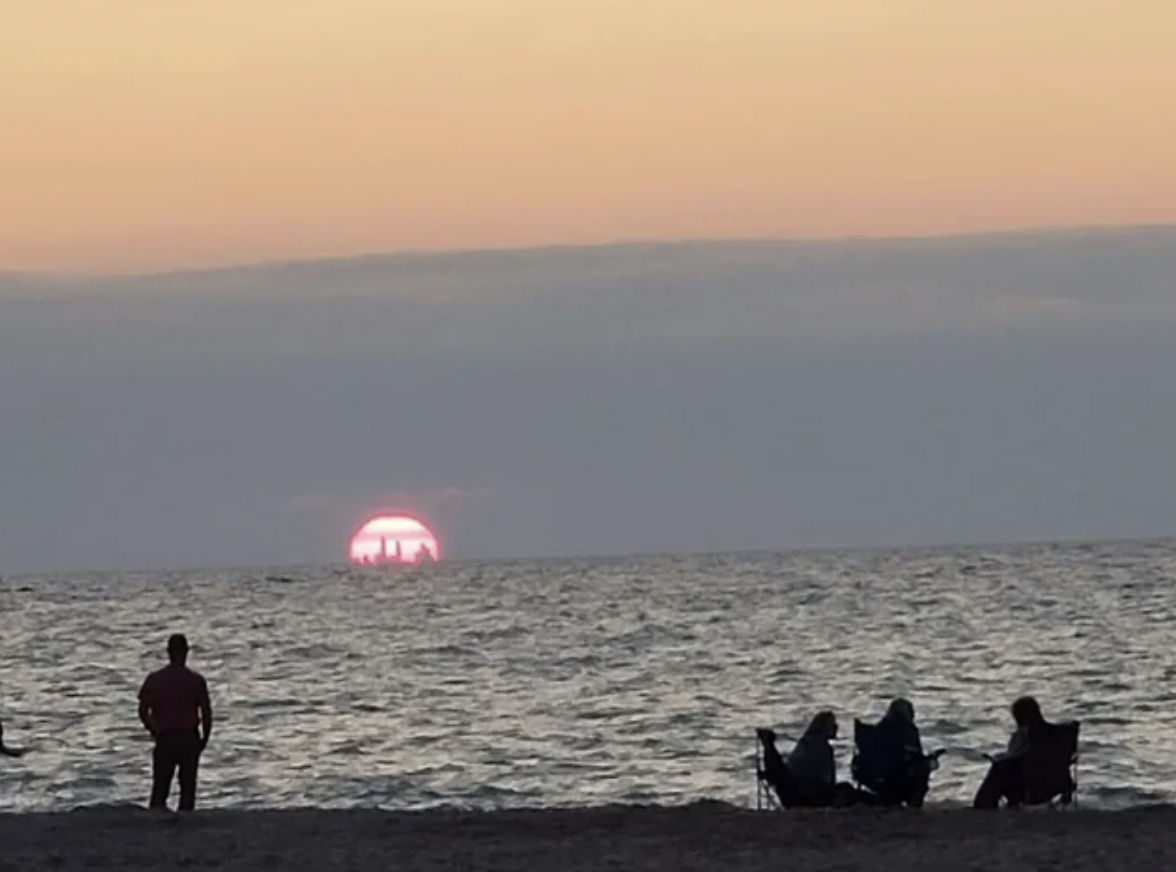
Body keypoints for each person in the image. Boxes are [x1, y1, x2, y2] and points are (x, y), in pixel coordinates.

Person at [138, 633, 213, 812]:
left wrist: (155, 731)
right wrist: (205, 738)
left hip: (166, 736)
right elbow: (206, 712)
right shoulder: (195, 680)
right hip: (188, 736)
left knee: (160, 787)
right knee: (187, 788)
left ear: (168, 652)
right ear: (186, 652)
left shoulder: (155, 679)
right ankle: (185, 821)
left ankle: (158, 821)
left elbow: (142, 711)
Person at [972, 695, 1049, 809]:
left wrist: (1000, 759)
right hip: (1054, 782)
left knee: (998, 769)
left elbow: (1015, 756)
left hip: (1026, 783)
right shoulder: (1055, 734)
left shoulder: (1024, 735)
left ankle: (983, 806)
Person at [867, 697, 938, 807]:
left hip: (877, 780)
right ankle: (914, 805)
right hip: (900, 778)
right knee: (923, 767)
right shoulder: (908, 730)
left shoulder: (878, 729)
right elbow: (914, 756)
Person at [787, 710, 865, 807]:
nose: (836, 727)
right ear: (824, 728)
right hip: (811, 795)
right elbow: (828, 780)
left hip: (794, 791)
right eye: (832, 725)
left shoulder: (805, 743)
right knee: (847, 790)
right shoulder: (823, 748)